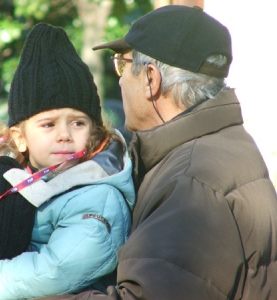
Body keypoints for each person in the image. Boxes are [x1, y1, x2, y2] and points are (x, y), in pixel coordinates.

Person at [37, 5, 277, 300]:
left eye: (123, 64)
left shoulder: (192, 181)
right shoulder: (219, 147)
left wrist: (12, 292)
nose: (121, 79)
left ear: (151, 79)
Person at [0, 23, 135, 300]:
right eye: (48, 124)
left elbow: (58, 270)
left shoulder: (98, 194)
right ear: (20, 138)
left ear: (93, 131)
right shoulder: (18, 187)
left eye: (77, 122)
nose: (64, 135)